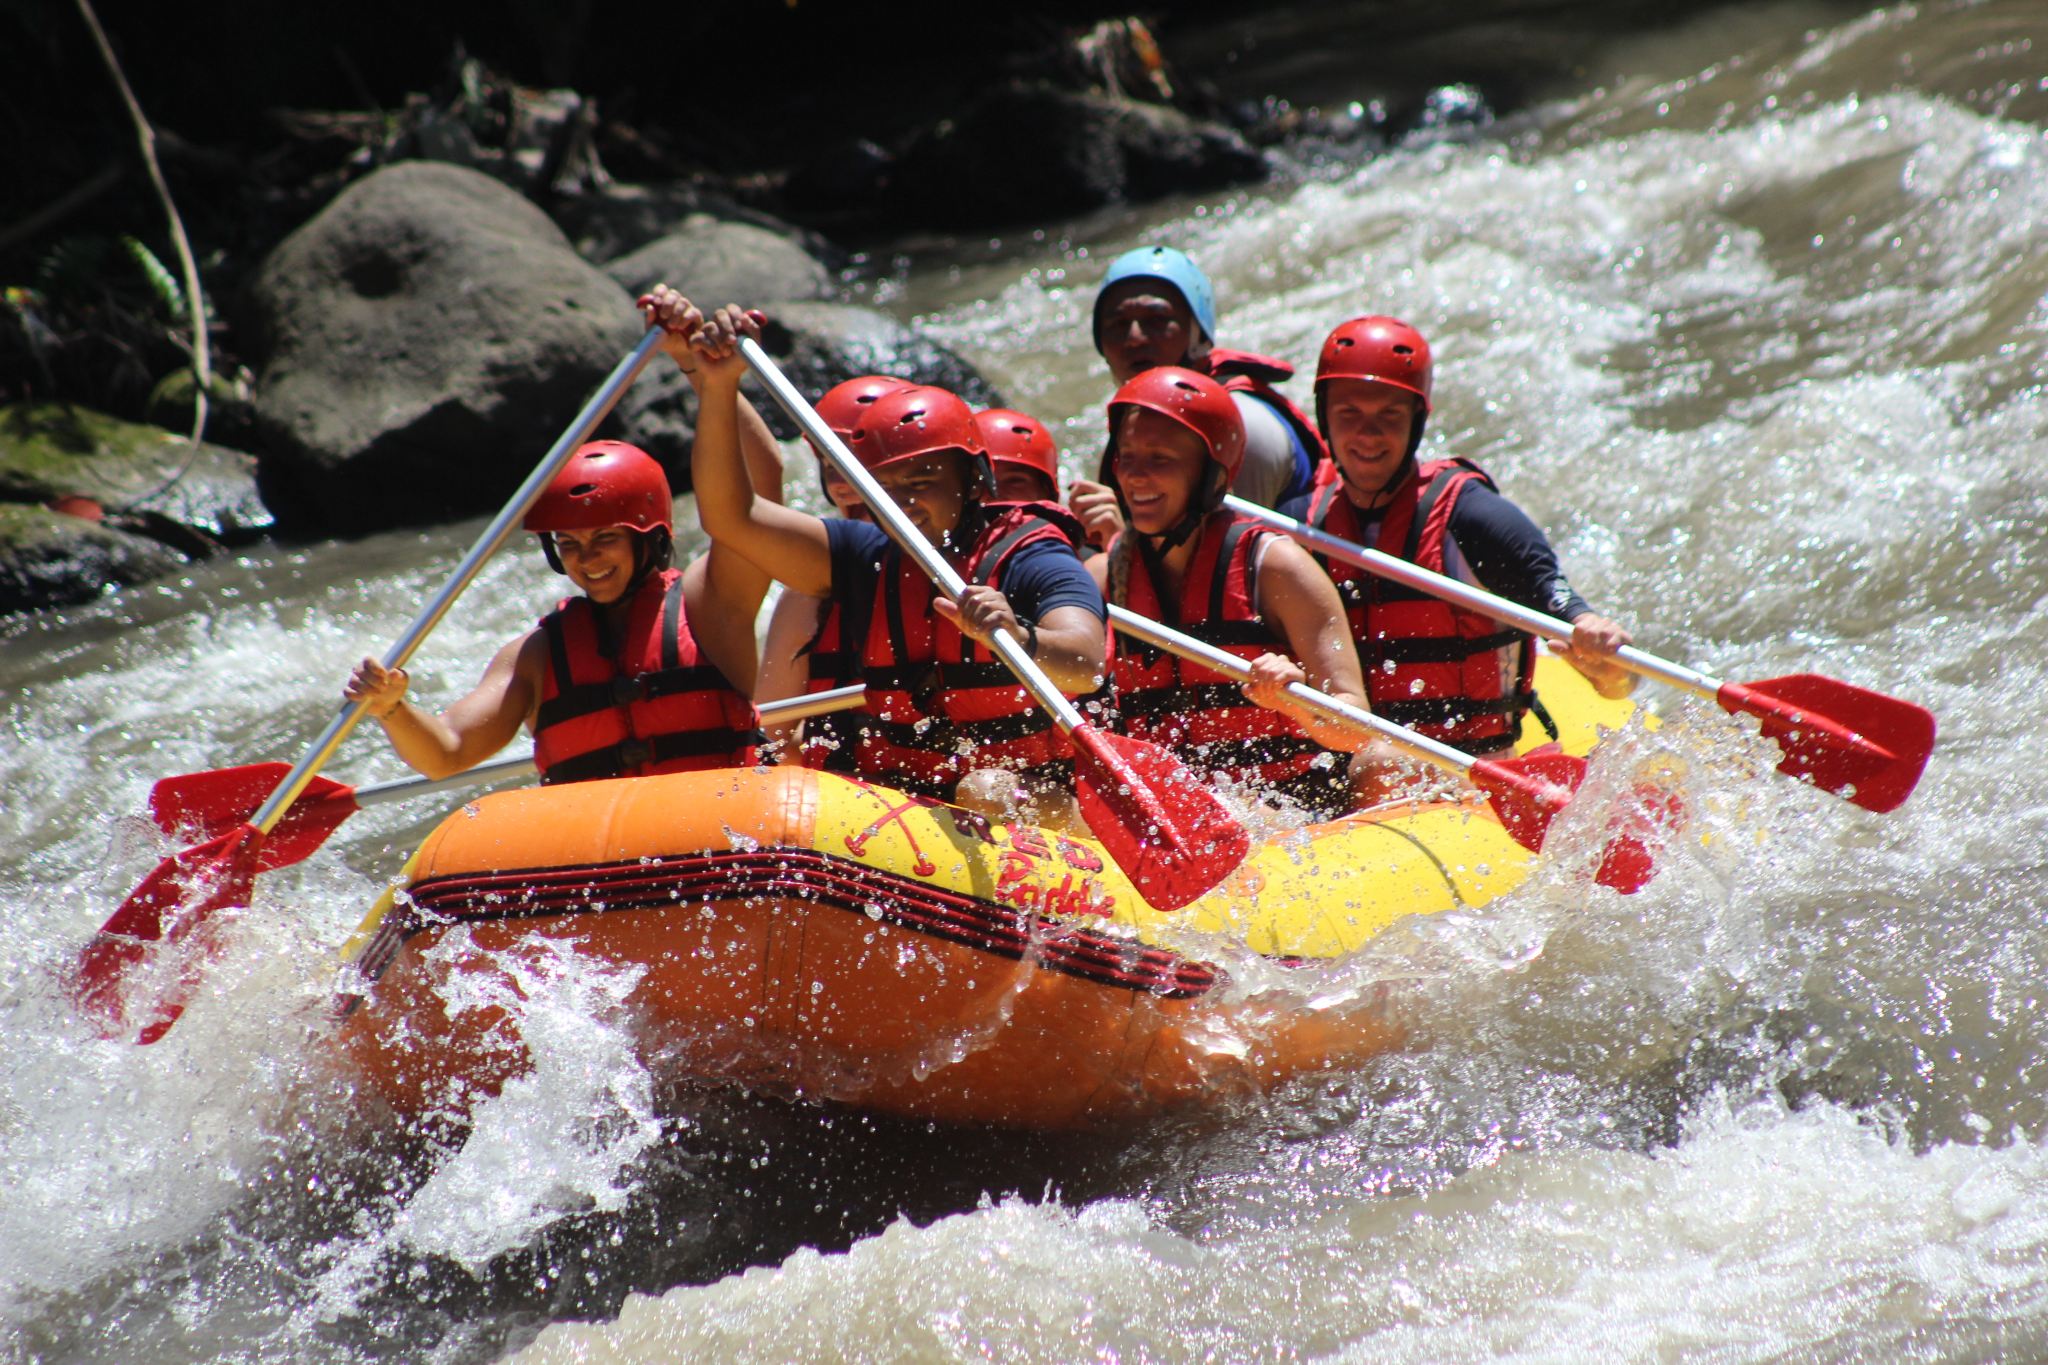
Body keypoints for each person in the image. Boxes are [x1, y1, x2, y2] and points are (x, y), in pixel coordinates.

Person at [649, 286, 1108, 828]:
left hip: (1036, 804)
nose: (904, 501)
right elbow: (733, 519)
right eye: (886, 486)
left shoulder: (1030, 555)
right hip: (911, 812)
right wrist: (718, 386)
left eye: (924, 480)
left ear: (975, 480)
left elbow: (1086, 665)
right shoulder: (863, 557)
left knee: (984, 788)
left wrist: (1019, 635)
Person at [342, 327, 788, 785]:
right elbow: (447, 752)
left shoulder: (711, 604)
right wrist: (392, 708)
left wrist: (708, 376)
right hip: (606, 848)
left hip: (725, 832)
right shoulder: (535, 655)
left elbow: (764, 485)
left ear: (649, 537)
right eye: (568, 544)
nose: (587, 558)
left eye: (605, 538)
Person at [1287, 315, 1634, 762]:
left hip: (1470, 772)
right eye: (1349, 413)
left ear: (1416, 421)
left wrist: (1607, 661)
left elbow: (1597, 653)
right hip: (1348, 773)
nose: (1367, 434)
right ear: (1324, 418)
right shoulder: (1297, 527)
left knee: (1381, 760)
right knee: (1373, 760)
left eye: (1388, 415)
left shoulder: (1472, 518)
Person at [1088, 365, 1394, 821]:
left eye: (1160, 459)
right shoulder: (1104, 576)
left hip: (1293, 813)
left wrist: (1295, 700)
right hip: (1174, 819)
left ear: (1210, 474)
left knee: (1385, 761)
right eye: (1127, 457)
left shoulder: (1277, 568)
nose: (1135, 477)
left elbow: (1357, 727)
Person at [1068, 245, 1326, 548]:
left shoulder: (1243, 427)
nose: (1135, 337)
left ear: (1199, 334)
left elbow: (1226, 567)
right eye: (1117, 324)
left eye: (1157, 319)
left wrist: (1116, 548)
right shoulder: (1139, 424)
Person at [755, 374, 904, 766]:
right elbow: (773, 738)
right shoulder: (807, 591)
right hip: (846, 803)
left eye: (856, 463)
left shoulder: (962, 574)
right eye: (828, 463)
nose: (840, 484)